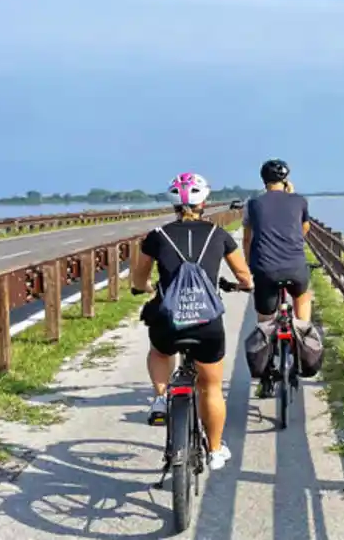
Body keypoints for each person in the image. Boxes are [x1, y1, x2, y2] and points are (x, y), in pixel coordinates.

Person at [130, 172, 253, 471]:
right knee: (210, 388)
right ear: (205, 201)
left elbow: (139, 277)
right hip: (206, 324)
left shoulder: (156, 236)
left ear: (172, 202)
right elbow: (244, 276)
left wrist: (143, 288)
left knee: (159, 351)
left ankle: (160, 398)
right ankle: (214, 450)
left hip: (169, 322)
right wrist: (242, 286)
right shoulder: (218, 235)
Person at [243, 159, 312, 397]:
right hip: (295, 267)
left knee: (265, 319)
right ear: (286, 179)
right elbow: (304, 230)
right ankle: (302, 337)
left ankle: (266, 374)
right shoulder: (299, 201)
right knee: (302, 297)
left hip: (265, 269)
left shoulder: (253, 204)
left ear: (263, 180)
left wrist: (249, 264)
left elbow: (248, 239)